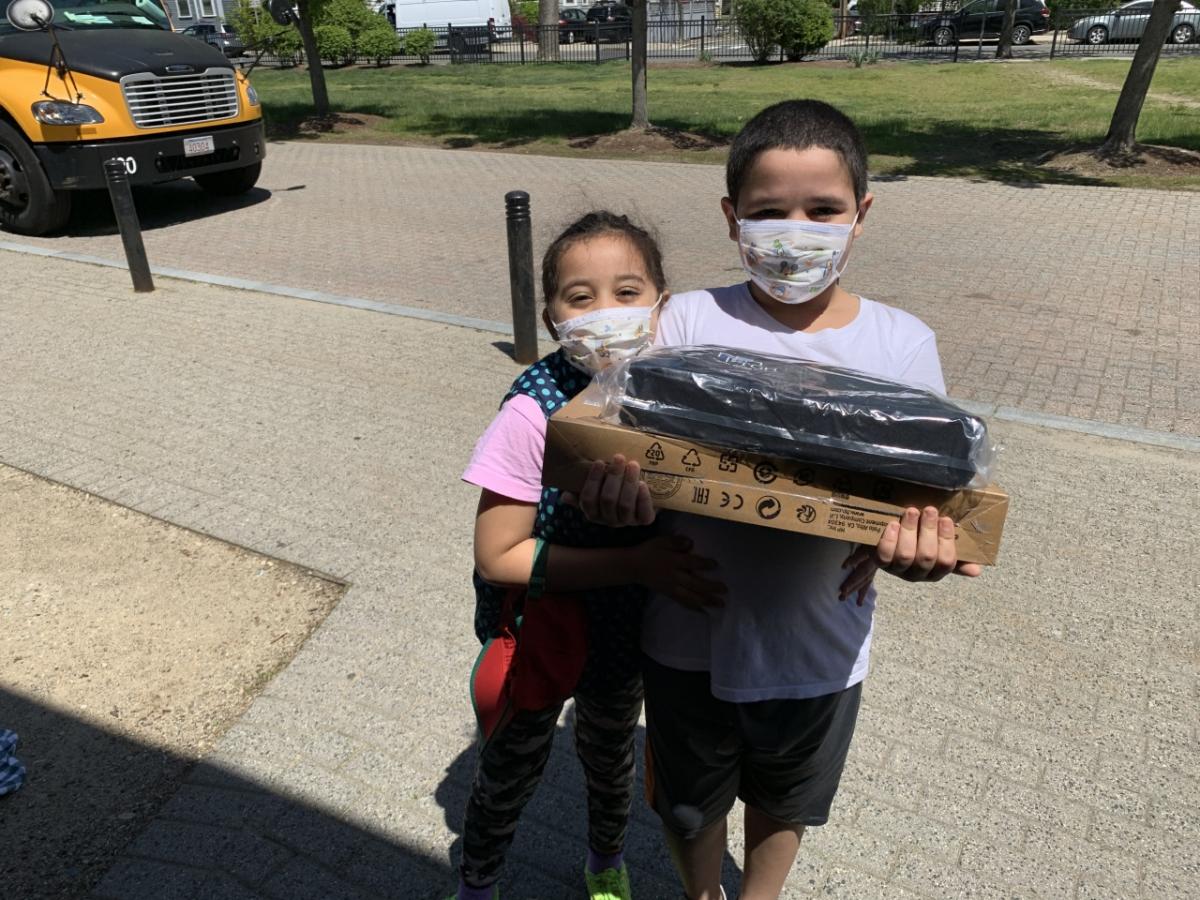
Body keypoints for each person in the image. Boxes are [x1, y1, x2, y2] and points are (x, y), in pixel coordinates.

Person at [569, 100, 984, 900]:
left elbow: (922, 502)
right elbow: (630, 449)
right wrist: (616, 512)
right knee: (688, 806)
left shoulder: (901, 344)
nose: (795, 231)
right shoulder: (685, 320)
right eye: (768, 212)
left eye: (822, 210)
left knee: (786, 802)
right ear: (732, 218)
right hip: (686, 631)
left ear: (861, 214)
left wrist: (923, 558)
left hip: (820, 643)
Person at [449, 211, 724, 900]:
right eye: (580, 297)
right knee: (511, 767)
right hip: (540, 631)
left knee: (610, 762)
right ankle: (478, 883)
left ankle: (605, 863)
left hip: (624, 638)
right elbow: (498, 555)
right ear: (550, 317)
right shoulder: (533, 410)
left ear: (663, 303)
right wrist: (636, 563)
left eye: (627, 291)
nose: (606, 312)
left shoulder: (674, 399)